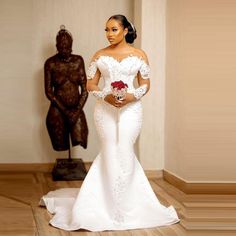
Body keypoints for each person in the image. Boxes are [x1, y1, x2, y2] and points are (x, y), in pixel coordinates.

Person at [40, 15, 179, 231]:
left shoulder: (139, 54)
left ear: (125, 30)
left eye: (114, 29)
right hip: (104, 110)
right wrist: (106, 96)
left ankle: (128, 204)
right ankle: (102, 204)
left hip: (131, 110)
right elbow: (90, 84)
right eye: (106, 30)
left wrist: (131, 96)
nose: (109, 34)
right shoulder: (100, 55)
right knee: (109, 150)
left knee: (124, 149)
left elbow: (145, 83)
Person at [44, 26, 88, 151]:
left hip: (76, 107)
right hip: (57, 109)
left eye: (67, 47)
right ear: (57, 46)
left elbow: (85, 89)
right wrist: (65, 111)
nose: (64, 50)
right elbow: (48, 92)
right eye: (61, 47)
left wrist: (77, 110)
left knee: (80, 137)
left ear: (71, 45)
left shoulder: (78, 61)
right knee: (60, 143)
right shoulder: (50, 63)